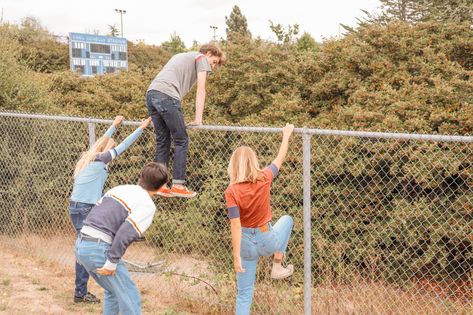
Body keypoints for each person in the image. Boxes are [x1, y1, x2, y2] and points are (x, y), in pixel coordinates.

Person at [69, 115, 151, 304]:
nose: (112, 150)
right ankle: (81, 292)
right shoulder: (101, 160)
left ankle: (83, 289)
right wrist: (141, 127)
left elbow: (103, 140)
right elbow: (124, 146)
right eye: (110, 147)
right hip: (85, 208)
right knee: (86, 247)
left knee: (84, 245)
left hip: (75, 206)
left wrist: (114, 125)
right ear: (106, 150)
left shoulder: (88, 158)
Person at [75, 162, 168, 315]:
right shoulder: (147, 205)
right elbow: (125, 233)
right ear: (163, 186)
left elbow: (96, 213)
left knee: (113, 292)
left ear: (141, 177)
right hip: (99, 249)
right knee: (131, 299)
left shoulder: (119, 189)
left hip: (82, 244)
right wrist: (112, 262)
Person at [224, 124, 296, 315]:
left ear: (233, 166)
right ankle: (277, 265)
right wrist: (286, 135)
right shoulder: (265, 177)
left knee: (244, 293)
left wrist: (236, 256)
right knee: (287, 219)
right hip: (267, 239)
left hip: (246, 245)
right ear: (254, 162)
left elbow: (236, 226)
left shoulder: (231, 192)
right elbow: (280, 158)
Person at [146, 42, 224, 198]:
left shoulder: (180, 56)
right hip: (167, 96)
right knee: (181, 139)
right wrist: (198, 119)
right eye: (214, 62)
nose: (213, 67)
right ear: (208, 53)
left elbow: (164, 83)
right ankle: (178, 184)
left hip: (152, 94)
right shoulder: (201, 58)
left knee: (163, 140)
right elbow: (201, 90)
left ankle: (160, 185)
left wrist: (157, 109)